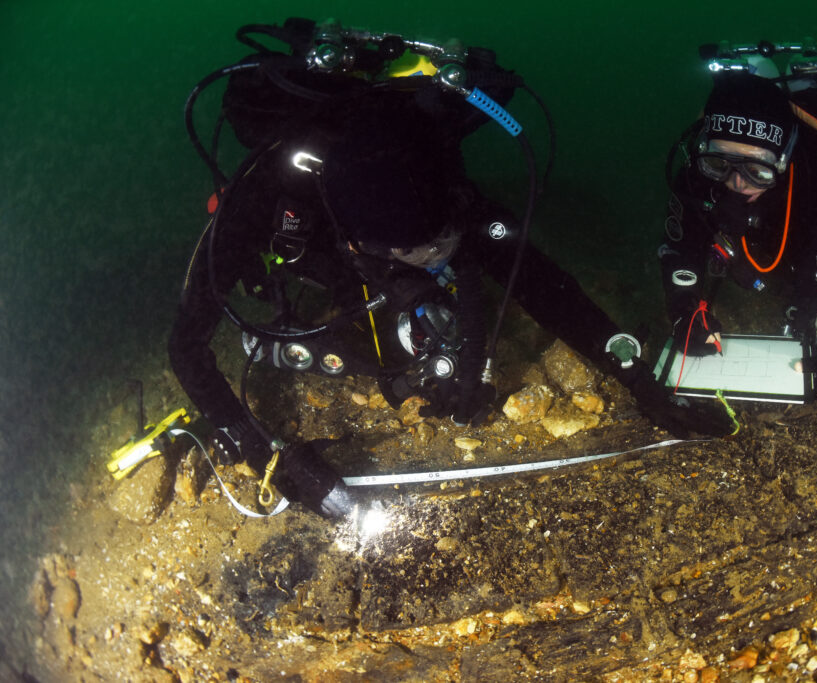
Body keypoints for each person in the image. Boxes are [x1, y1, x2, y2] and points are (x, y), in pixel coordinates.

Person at [169, 19, 731, 519]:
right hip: (322, 241)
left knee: (445, 290)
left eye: (440, 243)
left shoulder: (445, 185)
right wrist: (259, 451)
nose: (434, 259)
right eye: (412, 252)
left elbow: (547, 288)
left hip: (398, 218)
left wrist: (639, 382)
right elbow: (186, 347)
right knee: (376, 351)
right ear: (356, 237)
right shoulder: (263, 197)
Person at [658, 49, 817, 399]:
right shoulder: (699, 173)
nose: (737, 183)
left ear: (783, 160)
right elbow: (679, 245)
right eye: (720, 165)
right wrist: (684, 310)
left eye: (757, 170)